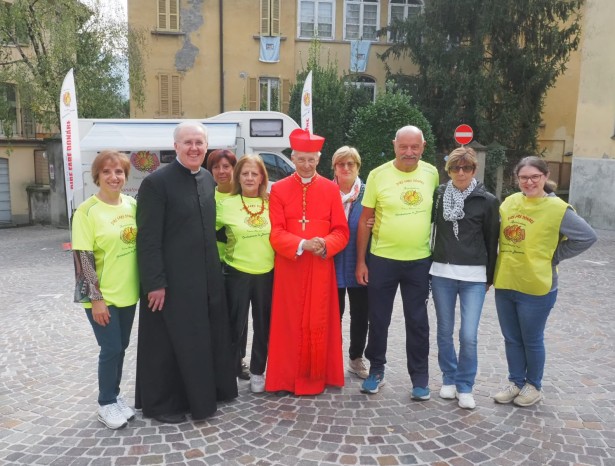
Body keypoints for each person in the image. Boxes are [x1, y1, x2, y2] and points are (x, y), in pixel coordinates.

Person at [135, 121, 238, 423]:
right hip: (172, 282)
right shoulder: (156, 184)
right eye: (188, 142)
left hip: (205, 278)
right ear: (176, 146)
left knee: (203, 338)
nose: (194, 148)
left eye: (199, 142)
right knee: (169, 344)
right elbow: (148, 239)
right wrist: (155, 283)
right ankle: (164, 404)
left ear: (206, 146)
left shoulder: (206, 178)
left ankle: (208, 392)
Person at [493, 156, 597, 407]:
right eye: (524, 177)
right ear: (517, 179)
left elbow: (587, 237)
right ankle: (516, 381)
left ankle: (533, 386)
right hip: (506, 281)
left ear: (545, 176)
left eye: (535, 177)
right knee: (511, 338)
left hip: (538, 286)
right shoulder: (509, 202)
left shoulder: (558, 209)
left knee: (531, 339)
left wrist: (554, 256)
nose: (529, 182)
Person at [356, 125, 439, 400]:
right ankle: (376, 370)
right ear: (394, 145)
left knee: (418, 322)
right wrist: (361, 262)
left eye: (414, 147)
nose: (409, 152)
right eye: (403, 146)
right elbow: (364, 222)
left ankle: (420, 378)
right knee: (378, 319)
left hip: (419, 261)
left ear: (423, 147)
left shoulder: (432, 173)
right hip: (382, 259)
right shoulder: (377, 175)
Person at [265, 128, 350, 395]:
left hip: (320, 266)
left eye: (311, 159)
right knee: (288, 324)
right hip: (290, 267)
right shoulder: (279, 189)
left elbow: (341, 231)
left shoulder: (331, 189)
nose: (306, 164)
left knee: (319, 321)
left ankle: (318, 378)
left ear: (319, 159)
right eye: (301, 159)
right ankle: (284, 379)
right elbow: (276, 232)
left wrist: (324, 244)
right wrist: (303, 244)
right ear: (292, 158)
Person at [71, 150, 139, 430]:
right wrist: (96, 299)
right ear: (97, 176)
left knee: (121, 347)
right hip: (102, 296)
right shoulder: (87, 211)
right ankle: (105, 403)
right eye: (107, 172)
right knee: (110, 348)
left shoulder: (132, 205)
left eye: (119, 171)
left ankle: (115, 395)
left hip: (128, 292)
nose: (114, 177)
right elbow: (83, 259)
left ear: (126, 176)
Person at [430, 147, 500, 409]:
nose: (461, 173)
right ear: (448, 170)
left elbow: (492, 239)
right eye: (455, 168)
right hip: (442, 273)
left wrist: (489, 277)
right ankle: (449, 378)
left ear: (474, 170)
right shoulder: (439, 195)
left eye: (466, 168)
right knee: (444, 331)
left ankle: (465, 385)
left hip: (474, 276)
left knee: (468, 334)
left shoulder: (487, 200)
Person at [216, 154, 274, 394]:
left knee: (263, 325)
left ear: (262, 178)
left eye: (254, 173)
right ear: (237, 177)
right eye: (245, 173)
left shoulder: (272, 203)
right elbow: (205, 232)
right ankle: (229, 373)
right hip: (236, 273)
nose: (250, 178)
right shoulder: (226, 204)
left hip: (266, 273)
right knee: (234, 326)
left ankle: (258, 371)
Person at [207, 149, 249, 381]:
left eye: (226, 166)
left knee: (238, 316)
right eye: (216, 167)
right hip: (212, 265)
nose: (221, 171)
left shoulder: (244, 197)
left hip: (237, 266)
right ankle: (216, 360)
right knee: (215, 315)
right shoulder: (207, 196)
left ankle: (238, 359)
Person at [332, 146, 369, 379]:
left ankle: (356, 358)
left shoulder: (368, 193)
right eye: (341, 164)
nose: (346, 168)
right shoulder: (325, 191)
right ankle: (332, 359)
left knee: (360, 315)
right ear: (334, 168)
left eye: (351, 164)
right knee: (333, 315)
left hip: (359, 262)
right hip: (332, 263)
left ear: (358, 167)